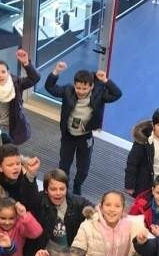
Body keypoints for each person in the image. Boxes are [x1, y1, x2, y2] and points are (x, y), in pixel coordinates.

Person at [44, 61, 122, 195]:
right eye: (78, 88)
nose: (80, 91)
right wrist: (56, 71)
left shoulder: (99, 94)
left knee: (83, 168)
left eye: (84, 88)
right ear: (74, 85)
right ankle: (64, 185)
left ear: (91, 86)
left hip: (85, 136)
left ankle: (77, 185)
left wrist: (105, 81)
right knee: (64, 165)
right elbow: (50, 87)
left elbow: (117, 94)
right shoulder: (68, 91)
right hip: (68, 136)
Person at [37, 169, 91, 255]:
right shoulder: (39, 200)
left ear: (67, 189)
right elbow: (27, 195)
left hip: (68, 253)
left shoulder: (77, 202)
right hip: (46, 252)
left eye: (62, 189)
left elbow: (94, 209)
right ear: (46, 190)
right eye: (53, 189)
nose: (58, 193)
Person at [0, 145, 42, 220]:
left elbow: (34, 203)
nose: (15, 167)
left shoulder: (26, 177)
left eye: (18, 164)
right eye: (10, 165)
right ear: (0, 167)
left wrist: (30, 175)